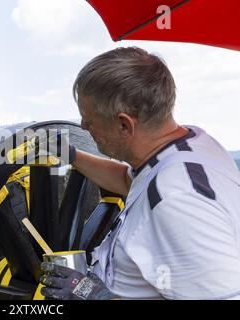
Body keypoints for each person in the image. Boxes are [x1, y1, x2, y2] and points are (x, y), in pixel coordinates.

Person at [40, 47, 240, 300]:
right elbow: (131, 181)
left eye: (89, 120)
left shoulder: (177, 200)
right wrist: (73, 156)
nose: (83, 126)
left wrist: (95, 295)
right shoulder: (190, 146)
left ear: (124, 125)